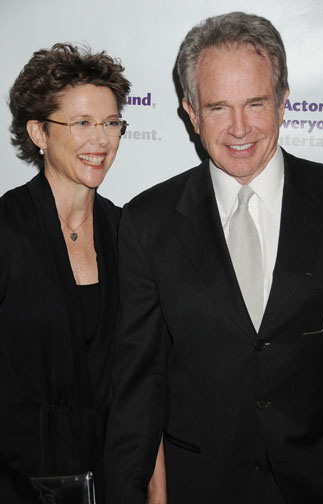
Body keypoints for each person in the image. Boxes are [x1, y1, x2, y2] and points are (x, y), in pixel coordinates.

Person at [104, 11, 323, 504]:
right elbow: (138, 388)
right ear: (190, 112)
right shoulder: (147, 222)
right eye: (217, 108)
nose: (239, 129)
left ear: (284, 101)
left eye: (255, 103)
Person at [0, 43, 165, 503]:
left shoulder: (128, 232)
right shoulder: (6, 230)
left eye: (111, 123)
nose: (101, 140)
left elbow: (144, 379)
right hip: (17, 484)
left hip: (116, 481)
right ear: (38, 132)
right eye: (82, 123)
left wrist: (157, 490)